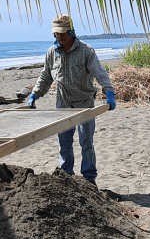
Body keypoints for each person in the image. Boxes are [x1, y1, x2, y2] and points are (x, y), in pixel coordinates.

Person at [27, 14, 116, 185]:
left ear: (71, 31)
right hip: (63, 105)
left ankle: (89, 180)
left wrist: (109, 90)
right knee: (64, 145)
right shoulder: (52, 52)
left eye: (62, 33)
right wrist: (35, 94)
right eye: (56, 34)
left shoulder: (86, 51)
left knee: (86, 143)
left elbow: (99, 72)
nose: (59, 37)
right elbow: (45, 76)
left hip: (84, 105)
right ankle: (67, 178)